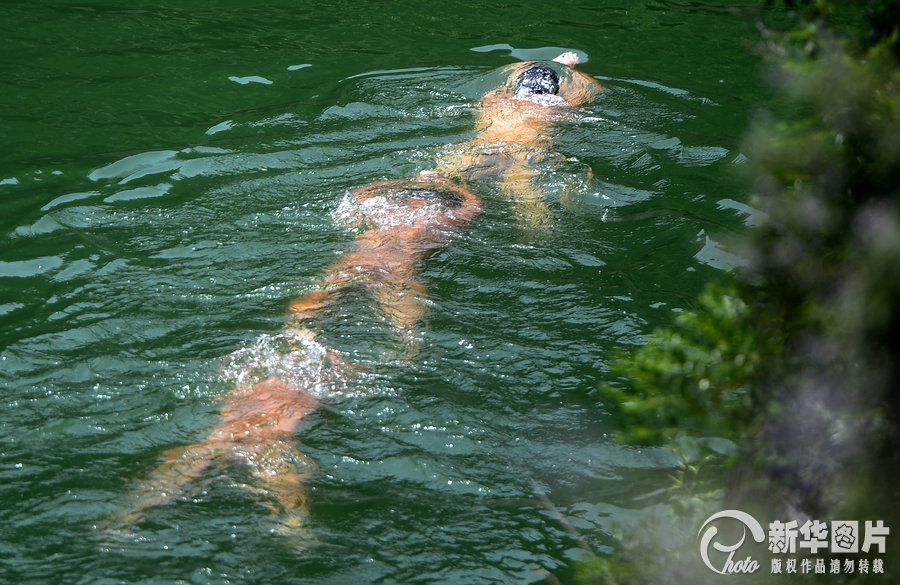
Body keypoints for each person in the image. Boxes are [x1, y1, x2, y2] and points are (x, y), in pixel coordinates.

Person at [111, 51, 601, 533]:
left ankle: (143, 516)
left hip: (364, 258)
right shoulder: (465, 202)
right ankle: (407, 348)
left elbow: (366, 198)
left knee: (313, 304)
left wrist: (413, 178)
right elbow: (472, 204)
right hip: (421, 248)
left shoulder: (485, 111)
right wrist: (573, 73)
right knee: (511, 200)